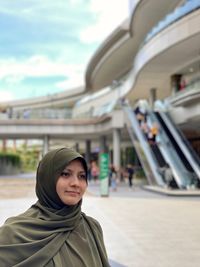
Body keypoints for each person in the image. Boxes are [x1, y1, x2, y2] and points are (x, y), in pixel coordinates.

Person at [0, 147, 110, 267]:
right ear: (47, 178)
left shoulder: (92, 228)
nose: (76, 183)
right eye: (65, 174)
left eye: (82, 176)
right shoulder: (13, 233)